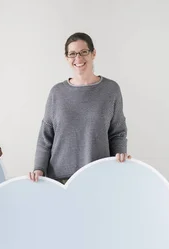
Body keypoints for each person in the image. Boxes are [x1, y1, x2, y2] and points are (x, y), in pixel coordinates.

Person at [29, 32, 131, 183]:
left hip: (97, 178)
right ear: (67, 58)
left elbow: (117, 133)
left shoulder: (110, 90)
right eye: (72, 54)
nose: (78, 58)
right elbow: (45, 137)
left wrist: (120, 158)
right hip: (59, 180)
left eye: (84, 52)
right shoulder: (57, 92)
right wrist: (39, 168)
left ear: (93, 53)